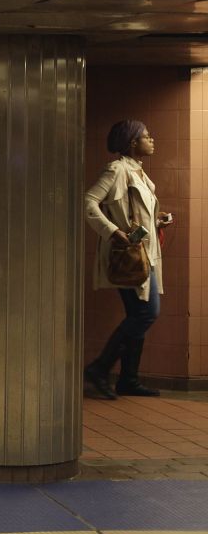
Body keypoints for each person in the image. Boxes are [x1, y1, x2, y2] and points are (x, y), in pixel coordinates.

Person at [83, 120, 173, 400]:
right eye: (147, 136)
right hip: (130, 255)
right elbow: (88, 202)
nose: (152, 140)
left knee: (139, 315)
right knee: (146, 314)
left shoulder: (139, 173)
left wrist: (156, 221)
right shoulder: (117, 169)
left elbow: (133, 211)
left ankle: (128, 379)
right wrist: (112, 232)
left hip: (144, 254)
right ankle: (99, 369)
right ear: (132, 142)